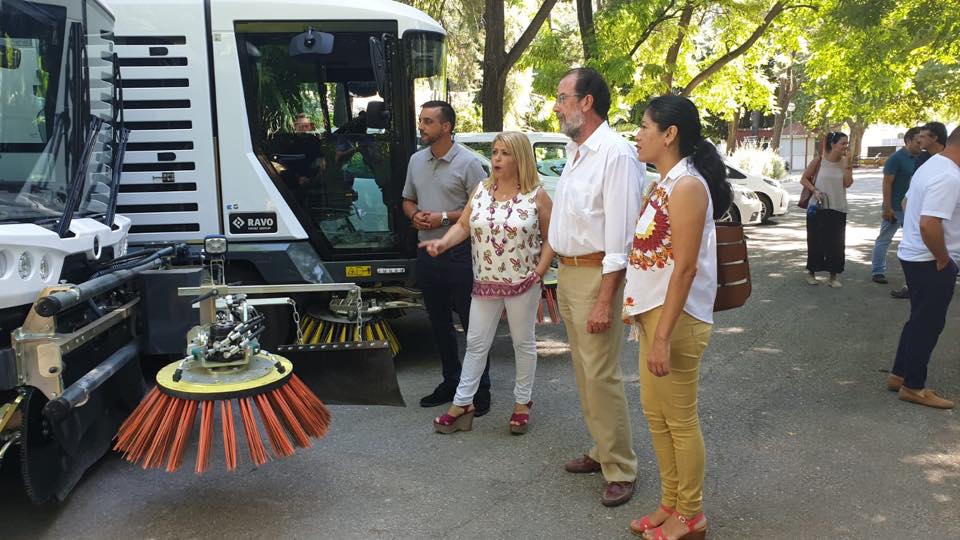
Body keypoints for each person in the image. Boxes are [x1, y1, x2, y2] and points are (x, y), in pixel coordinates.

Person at [623, 95, 730, 540]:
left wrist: (664, 335)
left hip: (677, 319)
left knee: (680, 419)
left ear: (670, 134)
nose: (638, 134)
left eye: (645, 126)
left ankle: (692, 514)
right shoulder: (663, 183)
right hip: (653, 316)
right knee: (656, 414)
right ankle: (670, 503)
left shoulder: (687, 186)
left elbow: (684, 267)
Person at [549, 67, 643, 507]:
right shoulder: (577, 150)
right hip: (569, 274)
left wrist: (606, 298)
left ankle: (621, 467)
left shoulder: (616, 155)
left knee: (601, 374)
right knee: (584, 372)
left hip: (595, 277)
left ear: (587, 102)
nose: (556, 105)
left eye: (563, 97)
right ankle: (602, 450)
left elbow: (621, 240)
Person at [421, 132, 554, 435]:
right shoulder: (481, 190)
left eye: (505, 153)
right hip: (485, 281)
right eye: (494, 152)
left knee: (523, 343)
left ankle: (522, 404)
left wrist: (539, 272)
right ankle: (462, 403)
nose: (496, 158)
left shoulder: (536, 195)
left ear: (519, 158)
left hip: (523, 281)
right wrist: (442, 244)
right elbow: (464, 225)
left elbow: (551, 237)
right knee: (476, 343)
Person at [402, 101, 493, 415]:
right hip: (427, 253)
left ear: (446, 127)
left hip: (460, 255)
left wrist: (442, 218)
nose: (422, 126)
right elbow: (407, 199)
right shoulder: (416, 160)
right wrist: (414, 216)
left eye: (428, 122)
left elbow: (480, 209)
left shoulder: (469, 163)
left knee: (473, 325)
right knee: (439, 325)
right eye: (421, 120)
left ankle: (481, 390)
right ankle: (450, 382)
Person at [885, 126, 960, 410]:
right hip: (930, 259)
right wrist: (943, 259)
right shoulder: (949, 175)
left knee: (918, 319)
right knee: (928, 324)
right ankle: (914, 386)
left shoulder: (930, 167)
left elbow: (906, 201)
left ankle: (899, 374)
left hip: (914, 254)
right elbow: (929, 223)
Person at [891, 121, 949, 298]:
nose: (920, 140)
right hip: (924, 217)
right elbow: (910, 193)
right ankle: (912, 286)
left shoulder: (949, 161)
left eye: (923, 136)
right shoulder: (922, 159)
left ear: (935, 138)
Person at [799, 131, 854, 288]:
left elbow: (848, 183)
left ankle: (833, 276)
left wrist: (848, 163)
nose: (846, 146)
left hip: (838, 207)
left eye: (846, 143)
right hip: (817, 207)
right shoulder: (819, 161)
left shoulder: (844, 162)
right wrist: (815, 190)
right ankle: (811, 272)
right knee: (815, 241)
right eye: (843, 143)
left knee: (836, 243)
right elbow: (803, 179)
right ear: (832, 144)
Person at [870, 128, 921, 284]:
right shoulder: (896, 159)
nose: (921, 145)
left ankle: (914, 274)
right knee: (884, 239)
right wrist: (887, 207)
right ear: (908, 141)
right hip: (896, 207)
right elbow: (887, 183)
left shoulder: (921, 159)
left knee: (914, 241)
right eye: (918, 142)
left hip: (913, 208)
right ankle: (878, 271)